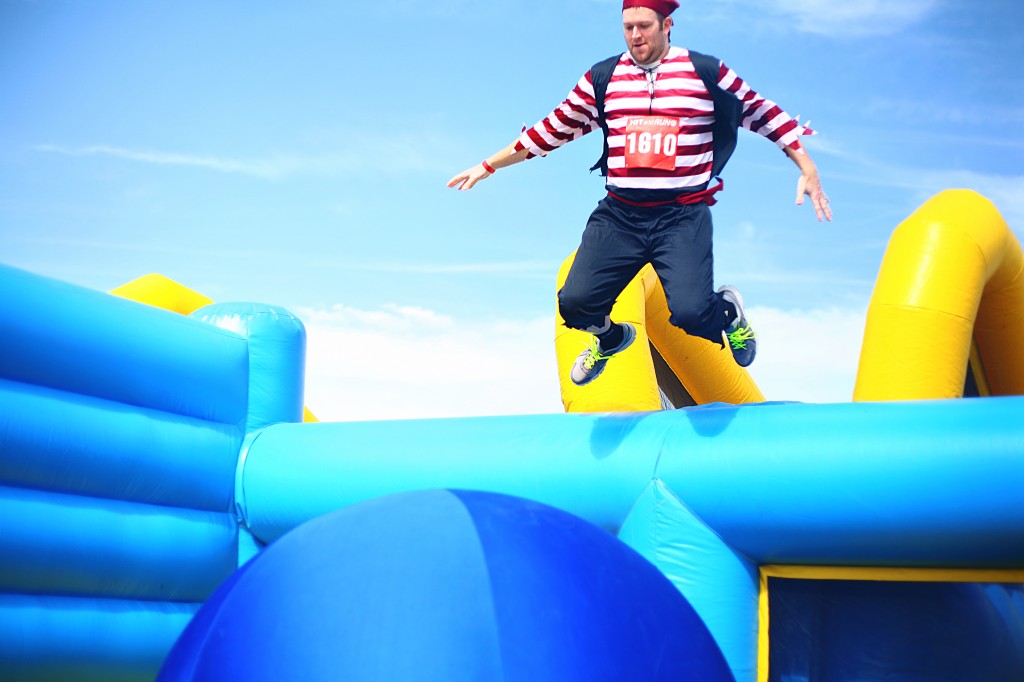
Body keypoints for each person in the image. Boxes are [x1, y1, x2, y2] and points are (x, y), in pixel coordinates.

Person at [448, 0, 831, 387]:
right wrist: (488, 165)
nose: (636, 36)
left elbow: (761, 112)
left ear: (667, 25)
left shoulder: (704, 72)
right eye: (628, 27)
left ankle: (728, 314)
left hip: (681, 217)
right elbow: (550, 130)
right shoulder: (604, 78)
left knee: (691, 314)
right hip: (620, 215)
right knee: (575, 304)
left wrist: (807, 166)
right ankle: (610, 339)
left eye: (644, 26)